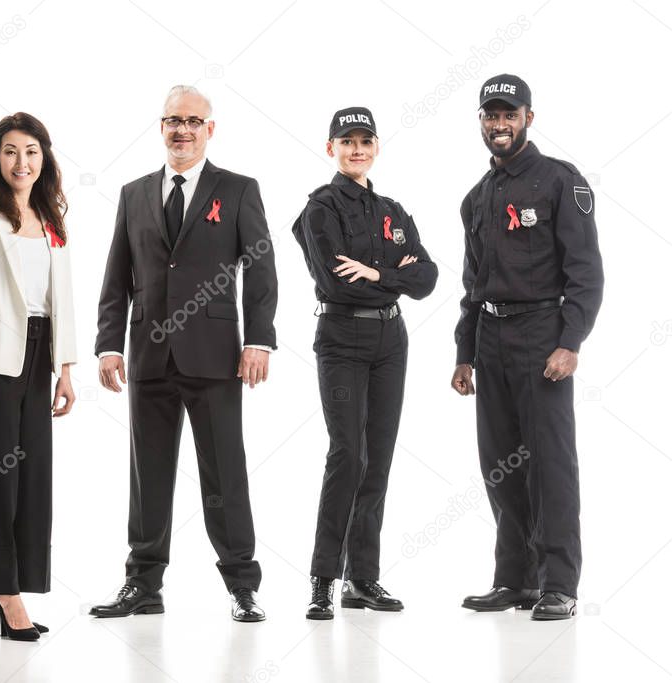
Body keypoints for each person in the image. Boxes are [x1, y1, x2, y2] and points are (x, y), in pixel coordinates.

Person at [91, 85, 278, 622]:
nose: (183, 130)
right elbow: (116, 275)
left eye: (194, 121)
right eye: (173, 120)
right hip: (148, 354)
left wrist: (258, 340)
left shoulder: (239, 190)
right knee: (148, 475)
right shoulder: (133, 193)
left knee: (225, 471)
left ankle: (243, 584)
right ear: (161, 126)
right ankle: (142, 585)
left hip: (216, 355)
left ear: (210, 129)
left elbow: (261, 268)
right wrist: (107, 345)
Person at [452, 75, 603, 621]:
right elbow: (473, 284)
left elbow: (586, 271)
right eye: (491, 115)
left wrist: (571, 340)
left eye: (508, 114)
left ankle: (559, 583)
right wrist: (464, 352)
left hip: (543, 338)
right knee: (499, 466)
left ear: (528, 118)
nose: (499, 123)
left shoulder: (560, 181)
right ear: (482, 121)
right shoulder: (477, 197)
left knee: (550, 464)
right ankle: (514, 580)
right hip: (490, 339)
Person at [291, 107, 438, 619]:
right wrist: (393, 273)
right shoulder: (320, 208)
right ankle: (322, 579)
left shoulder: (392, 210)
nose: (357, 149)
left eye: (365, 140)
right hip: (342, 337)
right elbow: (333, 281)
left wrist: (376, 276)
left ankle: (363, 579)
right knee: (348, 454)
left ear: (377, 146)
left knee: (377, 457)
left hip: (390, 339)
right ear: (330, 147)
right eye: (346, 141)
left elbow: (429, 278)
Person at [0, 112, 77, 641]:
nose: (20, 161)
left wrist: (67, 368)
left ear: (43, 157)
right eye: (9, 151)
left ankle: (2, 591)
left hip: (42, 351)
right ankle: (5, 594)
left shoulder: (52, 219)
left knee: (31, 479)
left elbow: (62, 297)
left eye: (30, 151)